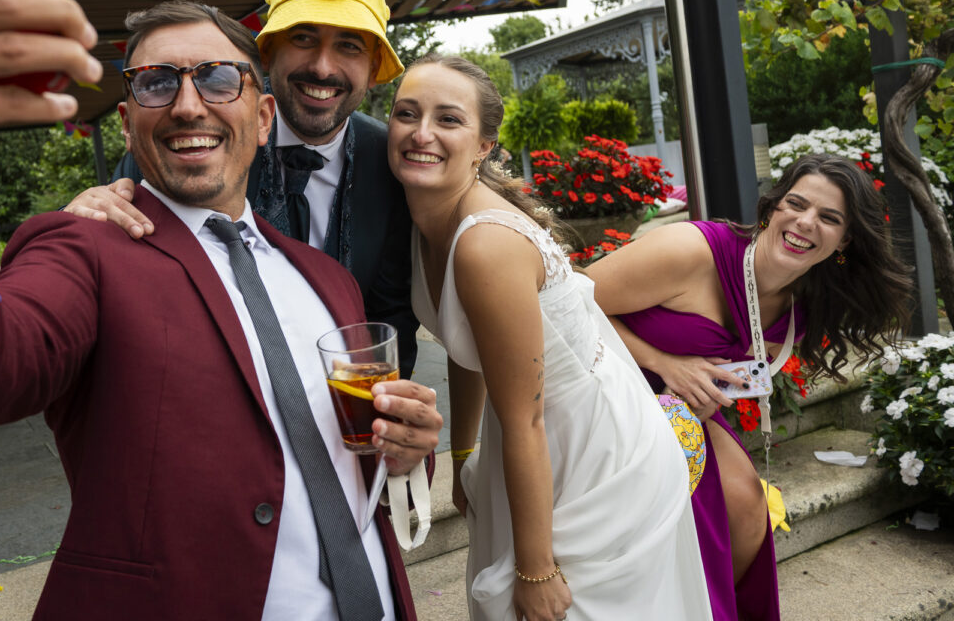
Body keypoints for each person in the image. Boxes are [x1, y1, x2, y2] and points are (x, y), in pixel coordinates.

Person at [0, 0, 442, 621]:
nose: (187, 104)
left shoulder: (329, 281)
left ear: (264, 117)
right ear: (126, 121)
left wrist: (407, 449)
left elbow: (350, 453)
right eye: (155, 84)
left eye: (217, 79)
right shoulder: (83, 246)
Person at [387, 54, 712, 621]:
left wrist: (536, 569)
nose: (422, 133)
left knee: (553, 606)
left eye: (448, 119)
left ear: (485, 145)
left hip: (587, 447)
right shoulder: (422, 220)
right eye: (406, 113)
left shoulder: (485, 243)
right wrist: (464, 453)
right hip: (528, 438)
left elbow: (526, 420)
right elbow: (471, 346)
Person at [585, 153, 914, 621]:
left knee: (745, 505)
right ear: (772, 208)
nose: (805, 222)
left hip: (681, 408)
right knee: (686, 499)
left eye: (829, 217)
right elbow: (565, 304)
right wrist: (663, 362)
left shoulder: (808, 298)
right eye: (796, 204)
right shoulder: (690, 252)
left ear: (846, 240)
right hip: (601, 389)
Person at [66, 0, 420, 378]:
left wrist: (385, 418)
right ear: (267, 53)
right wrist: (83, 224)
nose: (323, 68)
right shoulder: (186, 145)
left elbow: (391, 312)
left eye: (349, 46)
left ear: (372, 67)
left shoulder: (390, 163)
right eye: (303, 38)